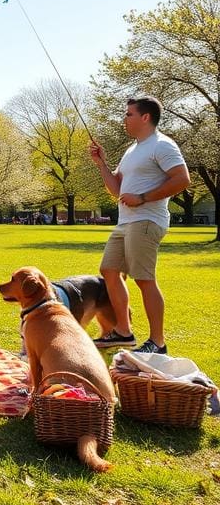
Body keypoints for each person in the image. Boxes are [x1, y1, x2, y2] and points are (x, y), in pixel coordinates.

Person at [89, 96, 190, 354]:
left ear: (145, 117)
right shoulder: (132, 150)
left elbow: (182, 179)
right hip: (126, 222)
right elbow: (116, 189)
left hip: (147, 220)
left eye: (129, 114)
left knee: (144, 280)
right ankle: (123, 331)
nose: (125, 119)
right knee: (109, 270)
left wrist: (143, 198)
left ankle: (158, 342)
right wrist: (101, 164)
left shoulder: (162, 145)